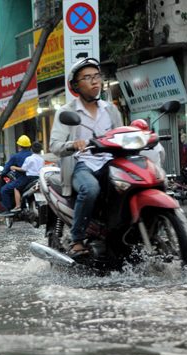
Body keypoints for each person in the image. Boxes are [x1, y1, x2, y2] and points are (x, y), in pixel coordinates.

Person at [50, 57, 123, 258]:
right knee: (90, 188)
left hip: (110, 162)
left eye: (97, 76)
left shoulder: (111, 109)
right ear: (75, 85)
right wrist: (73, 144)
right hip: (81, 164)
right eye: (87, 77)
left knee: (130, 183)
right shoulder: (66, 112)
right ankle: (77, 239)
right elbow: (55, 146)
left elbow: (121, 134)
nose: (94, 81)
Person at [0, 134, 32, 214]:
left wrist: (1, 174)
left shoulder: (16, 156)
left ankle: (9, 210)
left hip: (23, 180)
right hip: (34, 179)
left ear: (19, 146)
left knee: (4, 190)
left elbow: (6, 168)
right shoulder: (33, 155)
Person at [10, 141, 44, 212]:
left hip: (30, 178)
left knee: (16, 188)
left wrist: (14, 167)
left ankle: (18, 206)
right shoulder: (42, 159)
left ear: (31, 149)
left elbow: (24, 169)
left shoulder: (29, 158)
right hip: (39, 178)